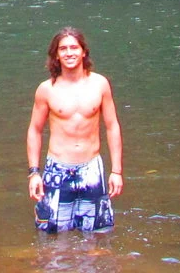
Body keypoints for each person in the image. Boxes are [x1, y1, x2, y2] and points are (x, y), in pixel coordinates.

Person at [26, 27, 122, 233]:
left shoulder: (100, 84)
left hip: (91, 168)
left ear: (83, 51)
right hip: (57, 169)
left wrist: (116, 171)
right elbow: (34, 130)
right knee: (52, 235)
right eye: (63, 49)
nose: (69, 53)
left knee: (98, 234)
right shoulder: (46, 89)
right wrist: (34, 173)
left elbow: (112, 126)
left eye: (74, 48)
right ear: (56, 55)